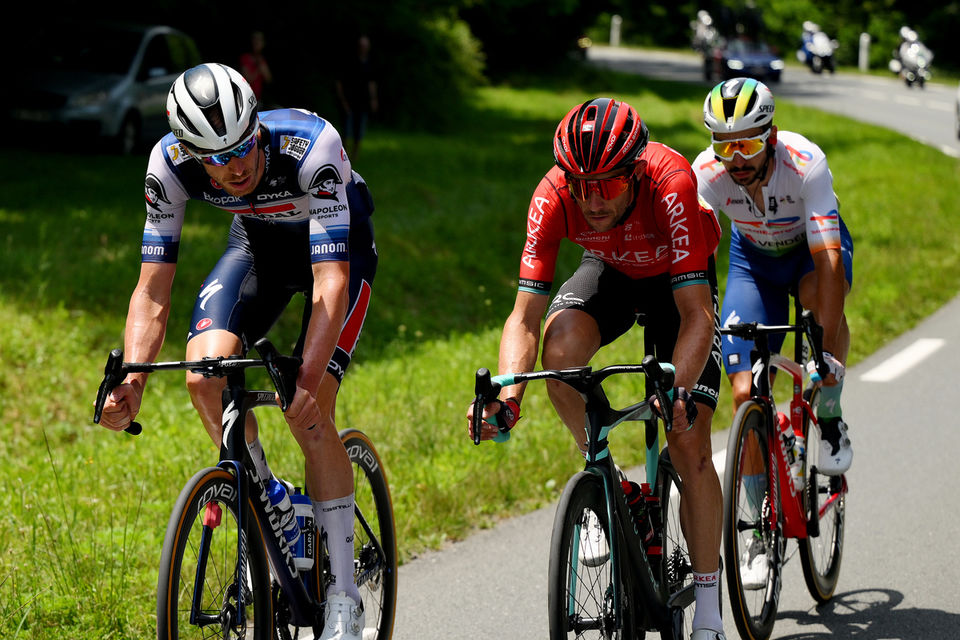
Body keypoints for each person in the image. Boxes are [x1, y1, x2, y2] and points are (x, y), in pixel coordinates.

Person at [98, 63, 377, 640]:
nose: (236, 165)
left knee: (311, 408)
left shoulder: (309, 144)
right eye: (216, 159)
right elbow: (153, 288)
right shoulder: (167, 166)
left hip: (337, 254)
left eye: (244, 146)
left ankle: (345, 598)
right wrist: (132, 379)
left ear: (256, 125)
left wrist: (307, 375)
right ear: (190, 152)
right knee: (203, 376)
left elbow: (330, 283)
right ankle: (269, 500)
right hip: (256, 247)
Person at [466, 98, 727, 640]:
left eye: (606, 183)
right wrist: (508, 394)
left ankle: (707, 610)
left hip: (677, 283)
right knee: (559, 352)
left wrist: (676, 388)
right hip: (609, 269)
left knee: (688, 443)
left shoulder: (670, 182)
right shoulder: (554, 194)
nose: (591, 199)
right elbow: (525, 317)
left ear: (634, 173)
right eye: (580, 184)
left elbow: (696, 316)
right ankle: (610, 479)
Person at [693, 78, 853, 586]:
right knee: (744, 393)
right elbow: (688, 257)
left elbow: (828, 262)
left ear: (773, 134)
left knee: (818, 304)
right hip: (753, 263)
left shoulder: (806, 162)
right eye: (724, 143)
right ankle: (761, 533)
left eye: (748, 143)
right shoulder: (706, 174)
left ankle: (828, 412)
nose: (735, 158)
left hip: (810, 254)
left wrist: (825, 356)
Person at [334, 34, 378, 160]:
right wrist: (342, 100)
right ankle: (344, 155)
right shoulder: (349, 61)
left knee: (359, 130)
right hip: (349, 101)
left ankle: (355, 156)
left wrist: (373, 99)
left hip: (362, 102)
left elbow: (372, 82)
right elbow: (339, 81)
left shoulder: (369, 63)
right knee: (346, 130)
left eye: (365, 46)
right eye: (361, 46)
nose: (363, 48)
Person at [239, 30, 273, 102]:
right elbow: (248, 79)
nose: (257, 42)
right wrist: (258, 68)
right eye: (255, 39)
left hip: (259, 99)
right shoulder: (245, 58)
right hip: (247, 98)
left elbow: (269, 79)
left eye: (259, 40)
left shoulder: (263, 59)